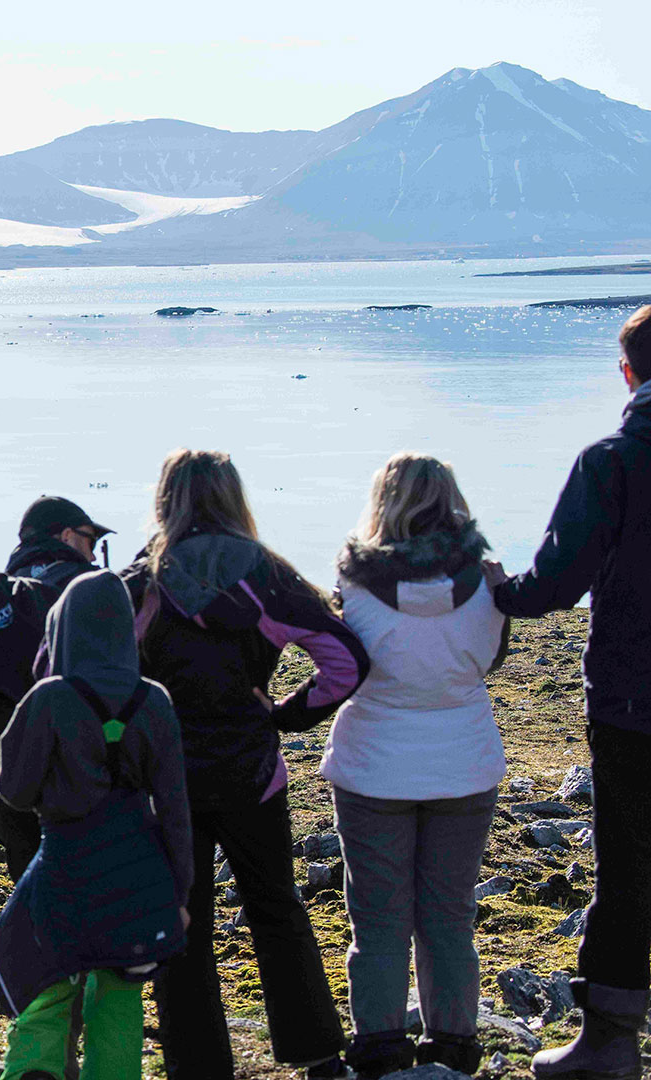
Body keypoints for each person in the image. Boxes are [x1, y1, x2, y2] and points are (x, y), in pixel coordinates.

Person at [119, 449, 369, 1080]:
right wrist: (286, 715)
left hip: (165, 781)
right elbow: (345, 661)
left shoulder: (144, 579)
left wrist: (123, 731)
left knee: (181, 922)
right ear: (235, 496)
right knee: (277, 909)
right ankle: (320, 1058)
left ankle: (197, 1069)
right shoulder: (268, 574)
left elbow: (85, 662)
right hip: (252, 774)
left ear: (166, 498)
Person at [485, 304, 651, 1080]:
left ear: (628, 373)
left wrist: (500, 590)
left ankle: (610, 1045)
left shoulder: (612, 462)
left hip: (632, 702)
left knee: (628, 871)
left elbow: (555, 585)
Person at [322, 453, 508, 1078]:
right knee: (448, 917)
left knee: (377, 921)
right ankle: (451, 1044)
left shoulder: (351, 583)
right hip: (463, 763)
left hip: (373, 765)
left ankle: (379, 1047)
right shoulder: (489, 581)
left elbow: (343, 668)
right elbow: (489, 660)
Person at [0, 571, 192, 1080]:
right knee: (120, 997)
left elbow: (12, 790)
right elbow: (175, 810)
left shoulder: (50, 697)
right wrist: (179, 894)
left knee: (45, 989)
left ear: (63, 629)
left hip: (65, 868)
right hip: (138, 874)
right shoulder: (154, 700)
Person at [0, 495, 113, 877]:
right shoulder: (87, 590)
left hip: (0, 764)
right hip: (75, 763)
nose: (94, 552)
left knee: (28, 867)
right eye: (90, 539)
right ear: (67, 536)